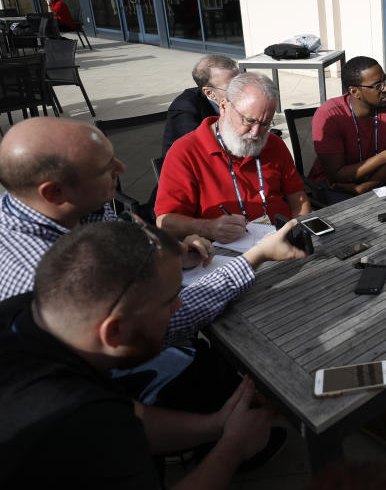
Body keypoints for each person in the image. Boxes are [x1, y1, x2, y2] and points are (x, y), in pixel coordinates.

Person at [0, 116, 306, 406]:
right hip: (101, 389)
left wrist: (175, 253)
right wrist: (256, 257)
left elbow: (132, 251)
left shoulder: (82, 206)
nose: (122, 167)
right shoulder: (43, 273)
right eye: (104, 168)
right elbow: (162, 324)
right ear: (54, 192)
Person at [0, 221, 276, 490]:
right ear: (114, 331)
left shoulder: (25, 314)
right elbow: (106, 423)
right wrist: (233, 448)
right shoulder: (70, 418)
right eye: (169, 300)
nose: (179, 306)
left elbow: (127, 417)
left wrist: (216, 425)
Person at [156, 72, 311, 243]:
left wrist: (298, 232)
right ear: (224, 107)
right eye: (249, 121)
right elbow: (165, 222)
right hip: (224, 254)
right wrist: (208, 228)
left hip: (281, 241)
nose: (256, 132)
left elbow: (298, 198)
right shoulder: (185, 152)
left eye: (266, 123)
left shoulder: (273, 144)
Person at [308, 55, 386, 203]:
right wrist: (383, 157)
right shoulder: (329, 115)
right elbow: (336, 175)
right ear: (354, 91)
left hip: (382, 176)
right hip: (337, 185)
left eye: (385, 81)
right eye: (378, 86)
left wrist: (367, 186)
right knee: (365, 220)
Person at [162, 54, 240, 157]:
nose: (240, 90)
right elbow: (199, 150)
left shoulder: (238, 99)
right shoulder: (185, 109)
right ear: (209, 92)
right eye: (232, 87)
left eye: (241, 82)